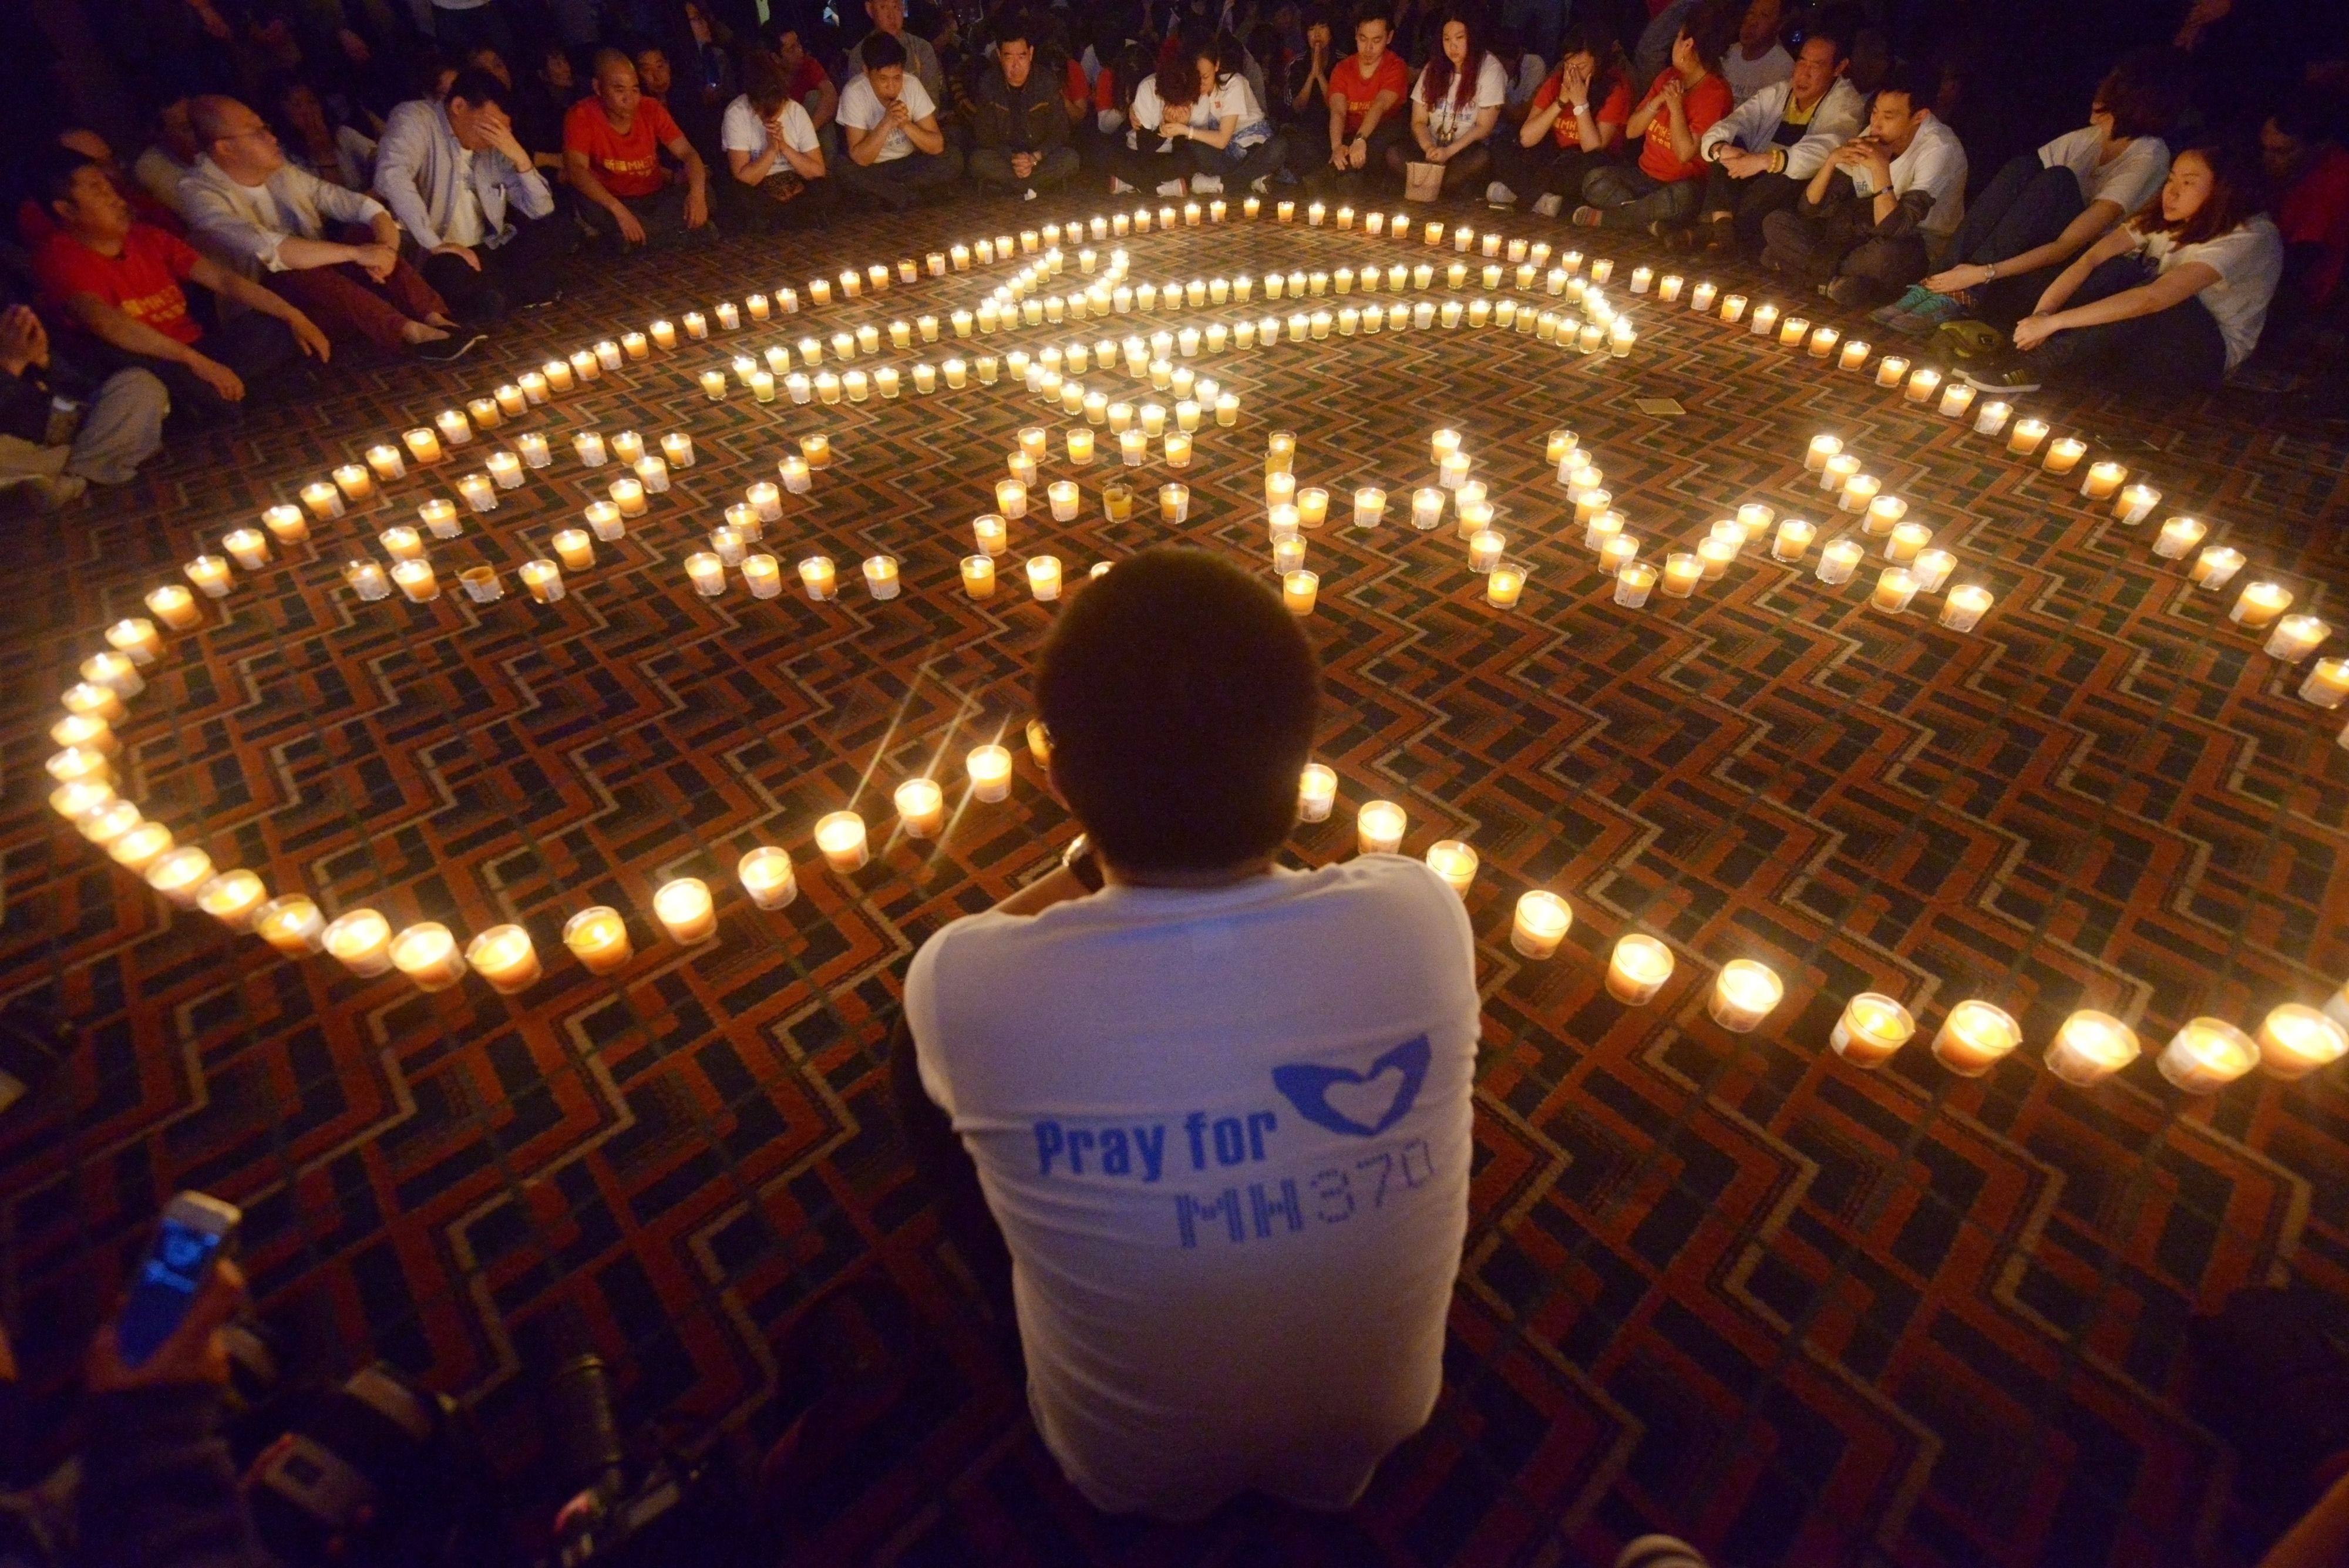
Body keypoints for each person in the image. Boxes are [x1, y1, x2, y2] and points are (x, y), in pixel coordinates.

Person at [896, 547, 1479, 1522]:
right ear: (1302, 761)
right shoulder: (1420, 913)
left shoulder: (966, 981)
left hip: (1123, 1469)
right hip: (1373, 1435)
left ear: (1053, 769)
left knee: (915, 1065)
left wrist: (1098, 867)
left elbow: (1027, 925)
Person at [1880, 49, 2186, 334]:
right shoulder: (2088, 139)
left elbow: (2069, 244)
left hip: (2079, 263)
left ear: (2136, 103)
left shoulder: (2148, 155)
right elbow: (2018, 190)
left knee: (2057, 180)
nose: (2097, 95)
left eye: (2112, 91)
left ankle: (1962, 291)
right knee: (2024, 167)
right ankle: (1938, 281)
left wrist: (1982, 273)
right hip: (2032, 246)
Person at [32, 154, 323, 428]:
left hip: (199, 349)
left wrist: (292, 315)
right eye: (99, 191)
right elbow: (107, 323)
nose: (115, 199)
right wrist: (195, 362)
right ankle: (226, 399)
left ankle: (220, 400)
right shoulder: (59, 256)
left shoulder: (147, 237)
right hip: (153, 361)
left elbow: (223, 279)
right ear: (66, 210)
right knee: (159, 379)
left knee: (282, 329)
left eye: (111, 188)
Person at [177, 95, 473, 359]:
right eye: (257, 132)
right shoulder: (200, 193)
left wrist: (384, 251)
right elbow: (271, 249)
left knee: (366, 233)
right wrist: (358, 255)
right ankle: (407, 332)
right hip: (265, 304)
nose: (271, 137)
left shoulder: (281, 172)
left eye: (266, 127)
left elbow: (358, 205)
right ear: (226, 148)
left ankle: (434, 317)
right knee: (300, 267)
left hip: (329, 286)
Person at [1990, 142, 2282, 394]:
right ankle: (2021, 350)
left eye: (2189, 183)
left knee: (2154, 299)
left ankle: (2037, 367)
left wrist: (2056, 323)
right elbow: (2089, 260)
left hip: (2197, 352)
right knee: (2116, 270)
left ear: (2223, 191)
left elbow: (2153, 299)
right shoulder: (2168, 218)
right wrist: (2043, 315)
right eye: (2171, 180)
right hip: (2144, 335)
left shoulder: (2250, 236)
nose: (2172, 192)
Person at [1756, 62, 1968, 307]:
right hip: (1859, 235)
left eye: (1889, 117)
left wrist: (1880, 168)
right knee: (1776, 222)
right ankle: (1833, 284)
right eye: (1875, 112)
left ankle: (1800, 266)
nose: (1876, 123)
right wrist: (1831, 162)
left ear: (1920, 117)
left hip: (1915, 244)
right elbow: (1810, 207)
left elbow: (1894, 230)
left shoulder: (1939, 149)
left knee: (1885, 259)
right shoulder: (1874, 131)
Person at [374, 68, 566, 321]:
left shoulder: (494, 147)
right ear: (459, 106)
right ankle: (493, 298)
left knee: (554, 233)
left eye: (503, 130)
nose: (496, 136)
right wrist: (437, 244)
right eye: (491, 126)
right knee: (453, 275)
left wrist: (519, 155)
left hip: (485, 250)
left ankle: (498, 296)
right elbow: (391, 178)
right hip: (434, 253)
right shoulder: (416, 118)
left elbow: (540, 208)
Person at [1685, 22, 1860, 254]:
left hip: (1795, 188)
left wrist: (1765, 161)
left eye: (1817, 66)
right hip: (1753, 175)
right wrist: (1720, 149)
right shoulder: (1779, 93)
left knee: (1787, 178)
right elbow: (1735, 121)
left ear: (1839, 68)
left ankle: (1715, 231)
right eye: (1802, 61)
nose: (1804, 73)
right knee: (1727, 150)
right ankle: (1725, 233)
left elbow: (1827, 147)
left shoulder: (1847, 104)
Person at [1572, 1, 1735, 233]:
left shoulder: (1715, 93)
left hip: (1680, 186)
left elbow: (1684, 153)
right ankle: (1648, 221)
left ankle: (1611, 220)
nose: (1675, 45)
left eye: (1679, 38)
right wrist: (1658, 102)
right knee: (1595, 180)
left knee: (1683, 198)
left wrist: (1677, 109)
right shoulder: (1668, 76)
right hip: (1644, 178)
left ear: (1688, 45)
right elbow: (1632, 131)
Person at [1, 301, 169, 508]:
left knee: (140, 386)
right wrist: (12, 364)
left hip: (77, 429)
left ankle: (73, 477)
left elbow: (85, 386)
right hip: (22, 448)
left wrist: (42, 359)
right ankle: (98, 464)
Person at [563, 48, 713, 248]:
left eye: (635, 89)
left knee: (706, 193)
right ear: (598, 88)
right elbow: (576, 170)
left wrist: (696, 195)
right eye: (619, 90)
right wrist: (619, 210)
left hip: (654, 197)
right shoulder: (581, 115)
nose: (630, 98)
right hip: (612, 200)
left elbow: (688, 153)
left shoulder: (650, 108)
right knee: (590, 206)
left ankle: (637, 239)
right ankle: (681, 233)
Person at [1488, 16, 1631, 214]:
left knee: (1583, 170)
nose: (1572, 73)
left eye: (1581, 67)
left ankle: (1519, 193)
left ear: (1598, 62)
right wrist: (1560, 102)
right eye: (1568, 66)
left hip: (1586, 160)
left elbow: (1594, 148)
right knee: (1503, 145)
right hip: (1552, 155)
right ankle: (1541, 200)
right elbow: (1527, 138)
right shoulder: (1557, 82)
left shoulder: (1616, 88)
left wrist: (1581, 104)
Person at [1385, 8, 1507, 196]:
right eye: (1447, 39)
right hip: (1431, 150)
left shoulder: (1490, 70)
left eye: (1459, 38)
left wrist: (1449, 152)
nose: (1453, 46)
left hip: (1464, 151)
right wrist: (1428, 147)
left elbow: (1484, 127)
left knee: (1481, 159)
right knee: (1394, 154)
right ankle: (1439, 184)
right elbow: (1418, 121)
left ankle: (1426, 183)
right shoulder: (1434, 67)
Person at [836, 31, 963, 207]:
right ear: (866, 71)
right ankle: (910, 195)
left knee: (952, 158)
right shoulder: (854, 92)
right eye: (883, 79)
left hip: (910, 164)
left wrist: (905, 124)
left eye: (897, 78)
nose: (891, 86)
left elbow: (936, 145)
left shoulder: (911, 85)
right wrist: (887, 123)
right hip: (874, 169)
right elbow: (860, 158)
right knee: (843, 168)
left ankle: (892, 194)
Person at [970, 16, 1081, 197]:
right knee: (978, 161)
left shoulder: (1047, 81)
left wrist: (1035, 158)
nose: (1016, 65)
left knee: (1070, 159)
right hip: (1006, 158)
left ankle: (1012, 187)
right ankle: (1035, 186)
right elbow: (984, 135)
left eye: (1021, 56)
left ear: (1030, 53)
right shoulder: (988, 84)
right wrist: (1015, 159)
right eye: (1009, 57)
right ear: (999, 56)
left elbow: (1061, 131)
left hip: (1039, 157)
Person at [1162, 31, 1284, 194]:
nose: (1200, 84)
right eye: (1195, 78)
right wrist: (1177, 123)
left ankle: (1223, 184)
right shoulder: (1194, 92)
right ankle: (1251, 179)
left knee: (1279, 146)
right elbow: (1197, 133)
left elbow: (1222, 140)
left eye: (1205, 77)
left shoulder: (1235, 84)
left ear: (1217, 65)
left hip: (1253, 151)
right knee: (1193, 146)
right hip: (1226, 159)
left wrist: (1185, 130)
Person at [718, 45, 830, 223]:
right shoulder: (737, 113)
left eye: (776, 110)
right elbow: (744, 178)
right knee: (736, 195)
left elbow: (818, 171)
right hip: (759, 185)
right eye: (763, 113)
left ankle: (789, 217)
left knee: (827, 188)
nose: (770, 118)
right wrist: (771, 151)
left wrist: (784, 148)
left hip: (795, 181)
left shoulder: (795, 111)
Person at [2263, 97, 2349, 318]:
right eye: (2265, 148)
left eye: (2280, 152)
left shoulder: (2337, 182)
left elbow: (2300, 259)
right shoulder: (2280, 168)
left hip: (2301, 284)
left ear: (2318, 147)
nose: (2267, 159)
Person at [1315, 3, 1409, 190]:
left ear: (1389, 37)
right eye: (1363, 39)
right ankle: (1344, 174)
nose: (1368, 48)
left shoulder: (1395, 66)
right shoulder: (1343, 69)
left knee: (1385, 139)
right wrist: (1337, 146)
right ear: (1356, 34)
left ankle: (1333, 177)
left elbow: (1380, 105)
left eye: (1376, 40)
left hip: (1380, 134)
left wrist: (1361, 140)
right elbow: (1338, 111)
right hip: (1350, 135)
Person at [850, 0, 947, 105]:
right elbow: (860, 104)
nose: (891, 16)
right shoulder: (859, 55)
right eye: (883, 7)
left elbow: (931, 102)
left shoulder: (921, 49)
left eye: (896, 7)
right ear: (870, 9)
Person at [775, 26, 841, 146]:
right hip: (780, 138)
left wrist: (809, 131)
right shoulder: (768, 78)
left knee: (815, 97)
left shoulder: (808, 64)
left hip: (808, 135)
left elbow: (831, 96)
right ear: (775, 58)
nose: (800, 50)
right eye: (791, 49)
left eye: (798, 44)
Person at [1718, 0, 1791, 105]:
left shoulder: (1782, 69)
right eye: (1751, 13)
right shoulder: (1729, 53)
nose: (1753, 22)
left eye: (1764, 16)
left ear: (1779, 25)